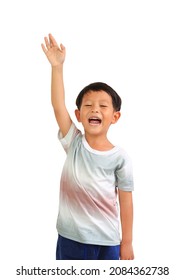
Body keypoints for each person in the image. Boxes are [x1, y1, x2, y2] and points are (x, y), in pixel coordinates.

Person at [41, 34, 134, 260]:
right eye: (88, 105)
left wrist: (127, 242)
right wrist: (57, 67)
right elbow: (57, 106)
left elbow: (126, 200)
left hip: (109, 241)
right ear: (78, 115)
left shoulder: (120, 157)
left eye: (103, 106)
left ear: (115, 116)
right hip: (71, 238)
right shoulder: (74, 143)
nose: (95, 110)